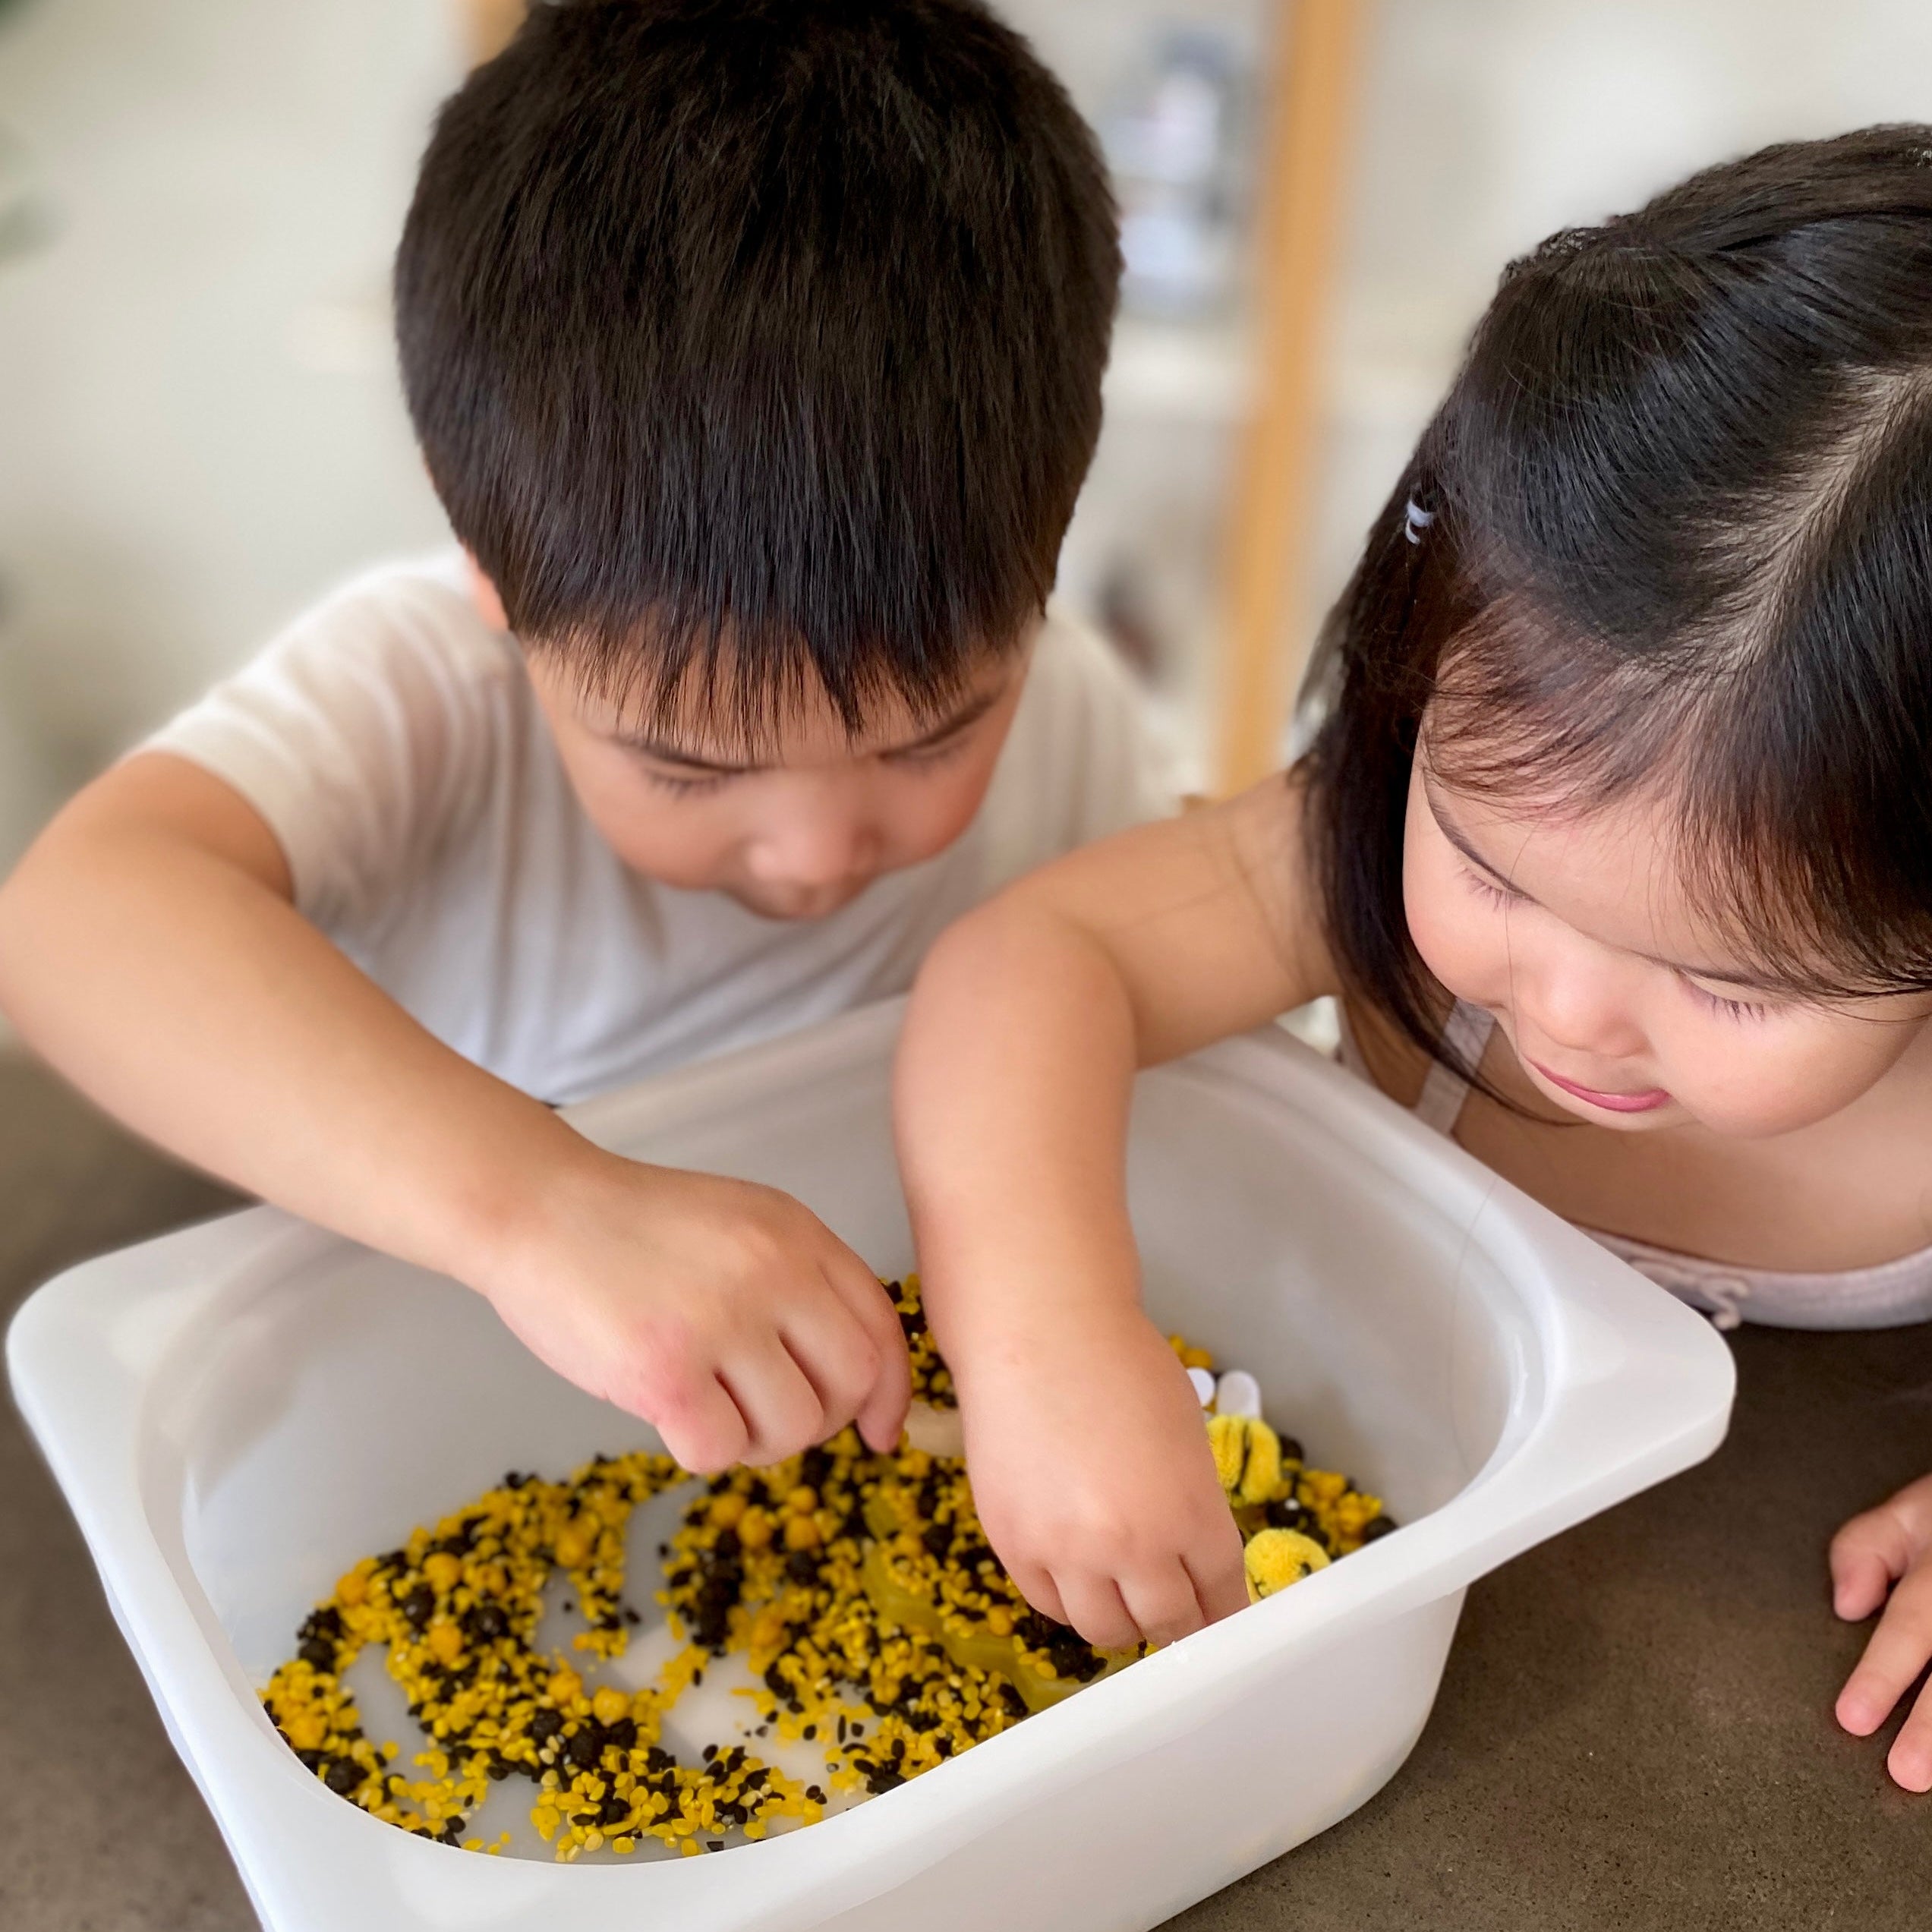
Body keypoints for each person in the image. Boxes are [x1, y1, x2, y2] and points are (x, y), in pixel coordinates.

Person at [894, 127, 1932, 1789]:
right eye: (1490, 863)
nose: (1567, 1009)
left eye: (1736, 983)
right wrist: (1045, 1339)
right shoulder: (1350, 829)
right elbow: (1038, 963)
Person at [0, 0, 1165, 1481]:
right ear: (492, 569)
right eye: (685, 769)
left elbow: (1156, 1028)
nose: (817, 850)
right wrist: (540, 1207)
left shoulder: (1075, 713)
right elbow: (72, 921)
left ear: (1049, 554)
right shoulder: (428, 684)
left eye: (932, 738)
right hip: (465, 1405)